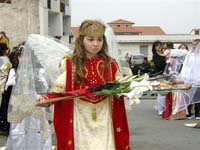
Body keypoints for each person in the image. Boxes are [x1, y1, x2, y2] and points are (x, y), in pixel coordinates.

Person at [37, 20, 131, 150]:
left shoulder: (110, 64)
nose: (95, 44)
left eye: (99, 40)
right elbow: (60, 88)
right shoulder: (71, 63)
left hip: (105, 115)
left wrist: (130, 90)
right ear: (81, 40)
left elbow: (120, 86)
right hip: (80, 116)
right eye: (90, 39)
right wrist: (47, 99)